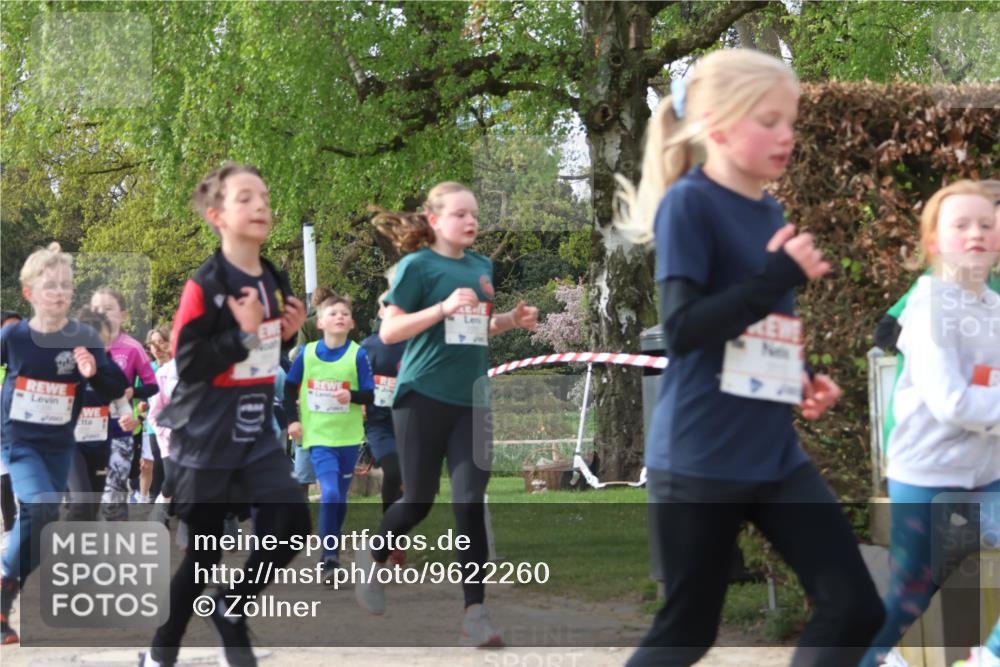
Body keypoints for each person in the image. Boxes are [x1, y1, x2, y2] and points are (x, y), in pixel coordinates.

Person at [613, 48, 884, 666]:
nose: (786, 135)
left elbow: (755, 325)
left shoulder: (768, 208)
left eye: (790, 121)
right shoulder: (691, 203)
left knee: (855, 607)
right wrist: (775, 277)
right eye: (768, 121)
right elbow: (682, 330)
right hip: (701, 455)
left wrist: (801, 376)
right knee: (687, 632)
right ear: (716, 125)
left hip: (771, 454)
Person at [352, 181, 539, 648]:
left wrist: (510, 321)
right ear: (435, 221)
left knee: (470, 502)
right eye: (460, 214)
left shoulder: (482, 266)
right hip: (421, 397)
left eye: (474, 213)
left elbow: (474, 327)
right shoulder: (418, 266)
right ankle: (373, 556)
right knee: (419, 500)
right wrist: (440, 307)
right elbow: (391, 331)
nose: (471, 221)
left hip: (471, 400)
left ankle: (475, 613)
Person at [139, 163, 310, 667]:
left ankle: (231, 608)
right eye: (246, 198)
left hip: (256, 428)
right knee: (204, 555)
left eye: (265, 196)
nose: (261, 206)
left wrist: (288, 332)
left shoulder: (273, 274)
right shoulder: (206, 283)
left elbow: (269, 344)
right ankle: (160, 651)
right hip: (207, 434)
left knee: (294, 523)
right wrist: (241, 334)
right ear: (217, 216)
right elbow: (187, 362)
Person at [858, 180, 1000, 667]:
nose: (977, 233)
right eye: (961, 225)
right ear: (935, 242)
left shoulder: (995, 308)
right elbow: (952, 402)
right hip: (928, 478)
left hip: (985, 477)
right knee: (909, 601)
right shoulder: (930, 305)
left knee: (971, 590)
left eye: (987, 223)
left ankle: (987, 657)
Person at [0, 243, 128, 645]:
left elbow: (115, 387)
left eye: (65, 286)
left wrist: (93, 373)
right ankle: (4, 580)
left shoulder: (84, 337)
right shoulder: (14, 336)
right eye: (49, 286)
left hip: (59, 444)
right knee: (38, 507)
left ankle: (6, 592)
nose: (58, 293)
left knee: (46, 523)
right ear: (29, 293)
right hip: (19, 441)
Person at [873, 180, 1000, 449]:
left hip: (979, 446)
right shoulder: (945, 278)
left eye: (986, 225)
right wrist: (947, 360)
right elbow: (885, 333)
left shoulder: (991, 282)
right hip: (926, 446)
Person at [286, 293, 374, 582]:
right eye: (333, 313)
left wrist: (352, 396)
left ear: (351, 323)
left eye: (344, 314)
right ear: (320, 322)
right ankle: (329, 559)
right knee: (331, 494)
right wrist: (293, 421)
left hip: (348, 438)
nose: (339, 317)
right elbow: (289, 389)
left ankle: (330, 549)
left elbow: (371, 394)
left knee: (341, 498)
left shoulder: (358, 354)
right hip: (318, 438)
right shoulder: (307, 354)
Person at [89, 287, 159, 519]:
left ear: (123, 315)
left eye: (109, 309)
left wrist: (132, 391)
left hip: (120, 425)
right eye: (97, 309)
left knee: (115, 488)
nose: (102, 313)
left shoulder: (133, 348)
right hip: (85, 429)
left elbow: (152, 386)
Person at [360, 285, 407, 565]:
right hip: (380, 424)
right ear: (381, 311)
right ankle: (391, 540)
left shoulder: (415, 344)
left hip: (410, 423)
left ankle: (393, 536)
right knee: (393, 472)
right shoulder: (369, 347)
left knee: (410, 484)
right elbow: (357, 380)